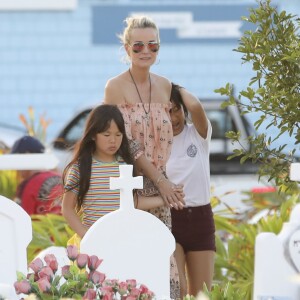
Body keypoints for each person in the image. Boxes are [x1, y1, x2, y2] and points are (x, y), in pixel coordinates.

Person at [103, 15, 183, 299]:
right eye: (138, 46)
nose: (146, 51)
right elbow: (125, 141)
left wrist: (167, 184)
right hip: (130, 184)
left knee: (161, 258)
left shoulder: (166, 87)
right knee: (129, 258)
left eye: (153, 46)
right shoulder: (115, 87)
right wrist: (159, 181)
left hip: (162, 184)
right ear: (127, 49)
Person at [62, 104, 167, 244]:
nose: (113, 140)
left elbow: (132, 202)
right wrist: (87, 236)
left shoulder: (126, 165)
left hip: (123, 241)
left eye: (118, 134)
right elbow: (67, 208)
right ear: (93, 135)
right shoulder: (81, 168)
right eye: (106, 135)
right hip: (95, 242)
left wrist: (165, 200)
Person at [166, 83, 216, 298]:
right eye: (165, 112)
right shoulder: (156, 143)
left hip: (201, 219)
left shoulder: (198, 134)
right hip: (170, 219)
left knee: (202, 293)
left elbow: (195, 105)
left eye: (175, 109)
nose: (173, 117)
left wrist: (172, 87)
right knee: (179, 290)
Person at [11, 135, 62, 215]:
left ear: (25, 157)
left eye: (15, 161)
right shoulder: (61, 177)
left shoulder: (28, 186)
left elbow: (23, 222)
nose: (16, 169)